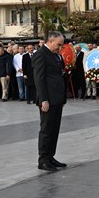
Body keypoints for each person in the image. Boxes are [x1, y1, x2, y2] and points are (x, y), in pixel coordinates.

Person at [33, 31, 68, 172]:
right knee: (46, 130)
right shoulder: (40, 54)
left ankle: (50, 156)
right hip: (48, 99)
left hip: (57, 98)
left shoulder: (55, 55)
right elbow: (39, 79)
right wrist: (44, 99)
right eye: (58, 45)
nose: (59, 48)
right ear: (51, 40)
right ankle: (43, 159)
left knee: (54, 129)